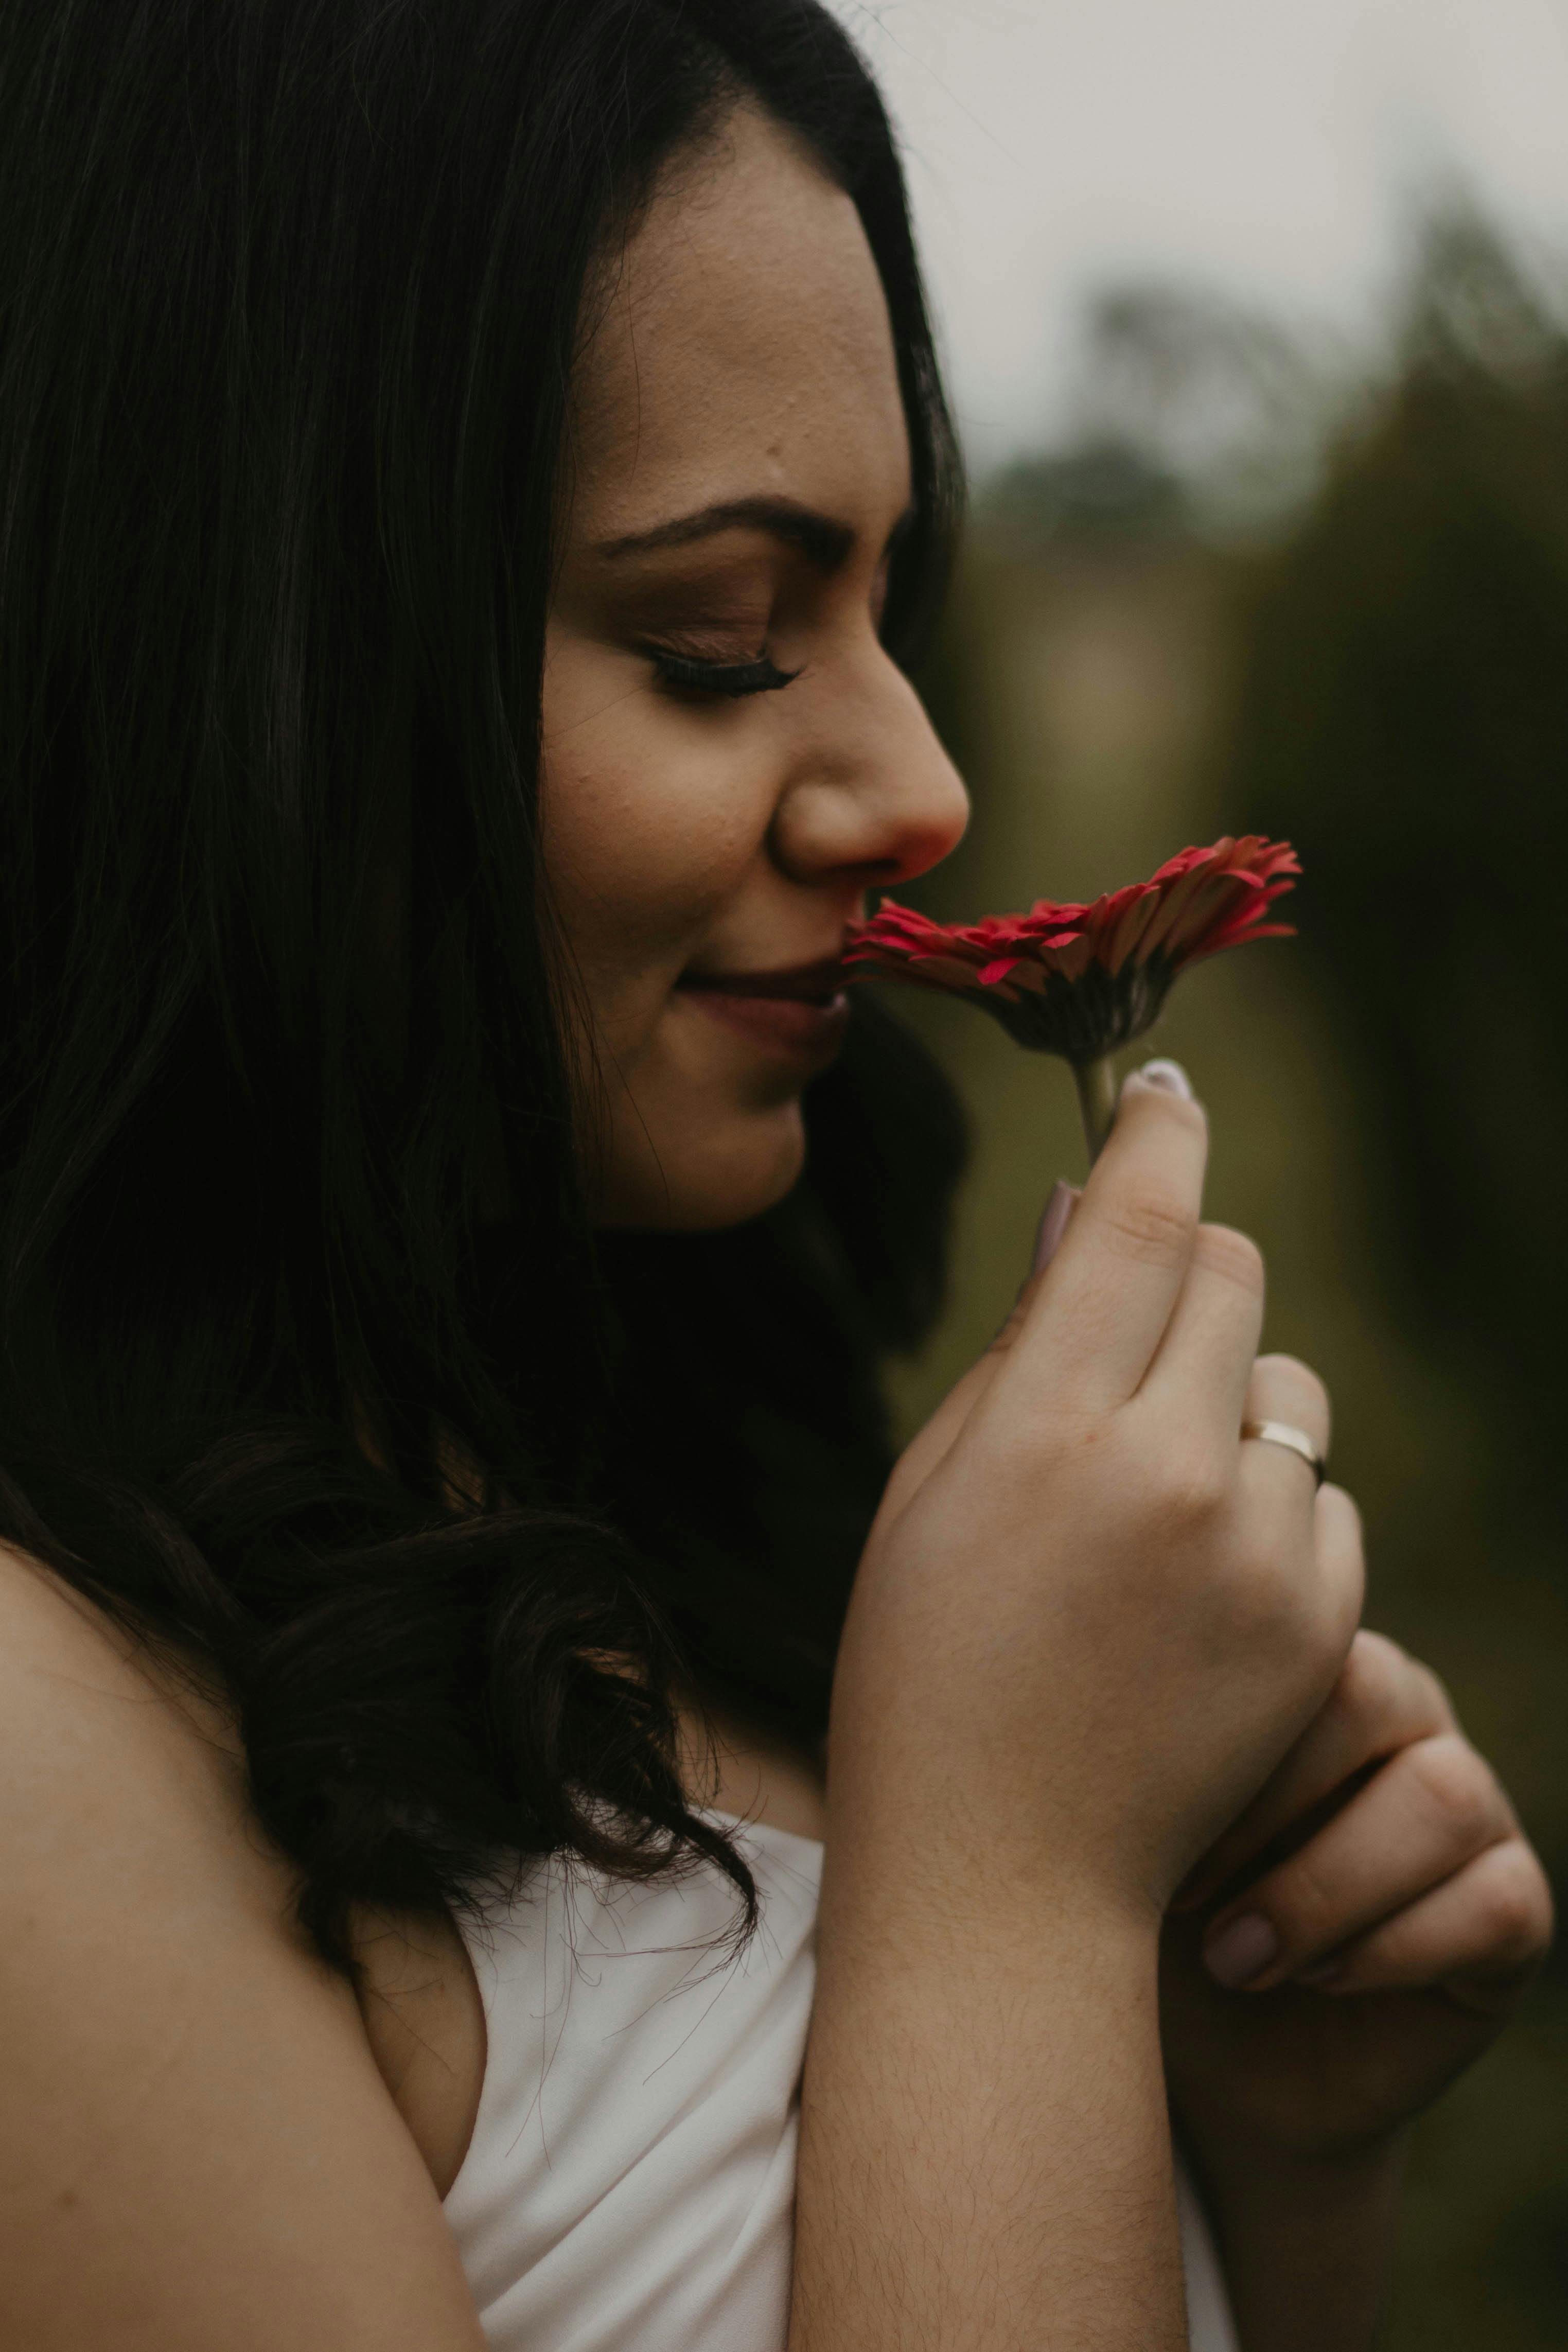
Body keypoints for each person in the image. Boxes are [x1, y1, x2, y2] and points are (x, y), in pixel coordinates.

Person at [0, 4, 1551, 2347]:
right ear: (244, 665)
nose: (921, 780)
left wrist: (1274, 2160)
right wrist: (1016, 1888)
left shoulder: (687, 1548)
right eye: (720, 639)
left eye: (880, 605)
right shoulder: (47, 1780)